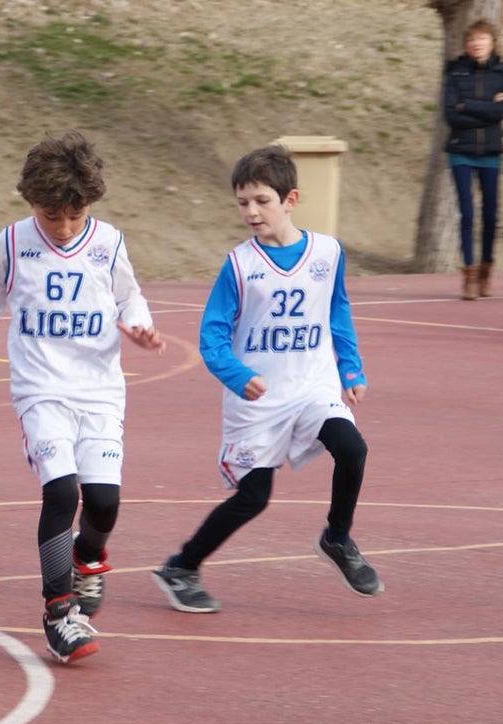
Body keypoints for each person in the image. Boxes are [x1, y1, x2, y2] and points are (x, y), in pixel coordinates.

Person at [0, 131, 165, 664]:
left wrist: (140, 325)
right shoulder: (12, 244)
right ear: (31, 202)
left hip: (99, 391)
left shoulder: (108, 242)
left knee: (104, 504)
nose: (64, 227)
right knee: (62, 494)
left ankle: (88, 558)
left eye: (74, 216)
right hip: (40, 389)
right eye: (53, 216)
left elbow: (130, 296)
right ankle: (59, 614)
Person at [151, 144, 380, 614]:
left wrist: (350, 368)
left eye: (261, 201)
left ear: (290, 200)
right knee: (253, 499)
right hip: (258, 400)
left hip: (312, 388)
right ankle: (182, 566)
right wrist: (238, 375)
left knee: (352, 448)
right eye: (242, 203)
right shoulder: (240, 265)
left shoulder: (327, 253)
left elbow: (337, 312)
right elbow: (212, 336)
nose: (251, 212)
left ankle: (337, 538)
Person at [442, 18, 503, 301]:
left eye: (482, 39)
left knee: (491, 215)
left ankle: (486, 271)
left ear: (492, 43)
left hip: (491, 153)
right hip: (460, 150)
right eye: (472, 39)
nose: (476, 43)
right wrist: (486, 108)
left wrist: (467, 106)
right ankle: (469, 275)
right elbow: (451, 114)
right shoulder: (455, 72)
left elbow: (502, 112)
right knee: (467, 213)